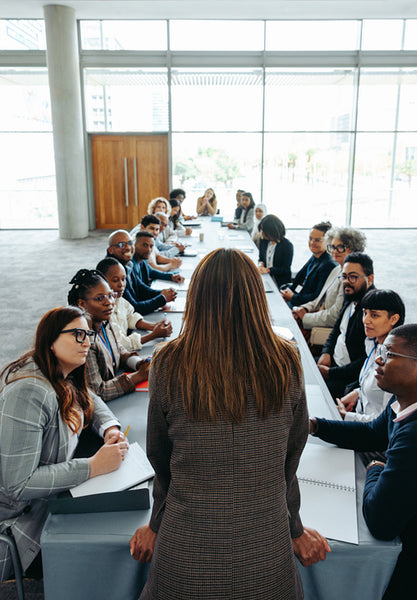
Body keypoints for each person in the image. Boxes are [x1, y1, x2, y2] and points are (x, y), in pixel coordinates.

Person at [129, 248, 330, 599]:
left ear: (197, 298)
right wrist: (294, 527)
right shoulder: (287, 359)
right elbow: (290, 460)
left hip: (186, 550)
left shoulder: (168, 361)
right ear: (256, 297)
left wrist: (156, 524)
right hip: (265, 550)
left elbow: (160, 458)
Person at [0, 306, 129, 581]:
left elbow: (90, 398)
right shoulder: (29, 392)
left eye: (88, 335)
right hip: (21, 526)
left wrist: (110, 428)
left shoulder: (60, 374)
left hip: (49, 505)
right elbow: (19, 483)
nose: (86, 342)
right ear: (50, 340)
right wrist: (93, 466)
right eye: (77, 334)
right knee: (111, 556)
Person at [309, 324, 417, 600]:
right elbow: (371, 433)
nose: (379, 360)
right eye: (381, 351)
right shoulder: (401, 401)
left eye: (390, 354)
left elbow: (382, 521)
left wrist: (375, 471)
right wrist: (314, 426)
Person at [68, 269, 150, 401]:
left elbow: (118, 350)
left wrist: (138, 363)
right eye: (100, 298)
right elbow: (98, 392)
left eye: (110, 295)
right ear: (82, 304)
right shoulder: (84, 340)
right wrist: (139, 376)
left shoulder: (104, 321)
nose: (109, 302)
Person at [336, 289, 405, 423]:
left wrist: (346, 416)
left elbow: (384, 423)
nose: (366, 320)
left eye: (374, 315)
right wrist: (357, 393)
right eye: (364, 313)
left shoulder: (394, 363)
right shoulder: (373, 346)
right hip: (360, 417)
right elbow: (371, 386)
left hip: (371, 435)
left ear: (394, 319)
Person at [317, 252, 375, 399]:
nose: (346, 282)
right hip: (332, 363)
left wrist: (330, 373)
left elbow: (366, 360)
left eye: (353, 277)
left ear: (370, 279)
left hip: (345, 377)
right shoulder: (350, 297)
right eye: (344, 276)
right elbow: (336, 330)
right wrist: (326, 352)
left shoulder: (372, 311)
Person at [292, 227, 367, 335]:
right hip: (318, 317)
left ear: (353, 249)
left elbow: (335, 315)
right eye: (332, 247)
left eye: (340, 247)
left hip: (330, 331)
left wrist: (305, 317)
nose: (334, 251)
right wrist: (303, 308)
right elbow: (320, 299)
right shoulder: (336, 270)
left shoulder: (351, 279)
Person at [96, 257, 173, 351]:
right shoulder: (104, 310)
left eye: (123, 279)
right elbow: (120, 345)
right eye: (115, 280)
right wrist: (153, 335)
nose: (121, 284)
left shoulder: (119, 299)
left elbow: (129, 316)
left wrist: (153, 327)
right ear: (102, 282)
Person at [106, 229, 177, 315]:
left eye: (129, 243)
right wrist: (162, 298)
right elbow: (134, 308)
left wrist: (163, 293)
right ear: (111, 250)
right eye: (122, 245)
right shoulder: (113, 271)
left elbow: (141, 288)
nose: (128, 247)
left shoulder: (127, 263)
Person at [281, 221, 337, 308]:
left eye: (317, 240)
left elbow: (316, 296)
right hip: (297, 297)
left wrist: (293, 297)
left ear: (328, 242)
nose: (312, 243)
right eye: (310, 239)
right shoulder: (315, 256)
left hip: (305, 306)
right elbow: (300, 279)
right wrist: (287, 293)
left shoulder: (328, 265)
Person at [258, 214, 293, 287]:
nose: (262, 233)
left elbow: (285, 269)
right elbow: (261, 257)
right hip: (266, 278)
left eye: (264, 231)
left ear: (272, 231)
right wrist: (261, 265)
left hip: (280, 282)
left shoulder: (287, 245)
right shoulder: (263, 241)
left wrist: (268, 270)